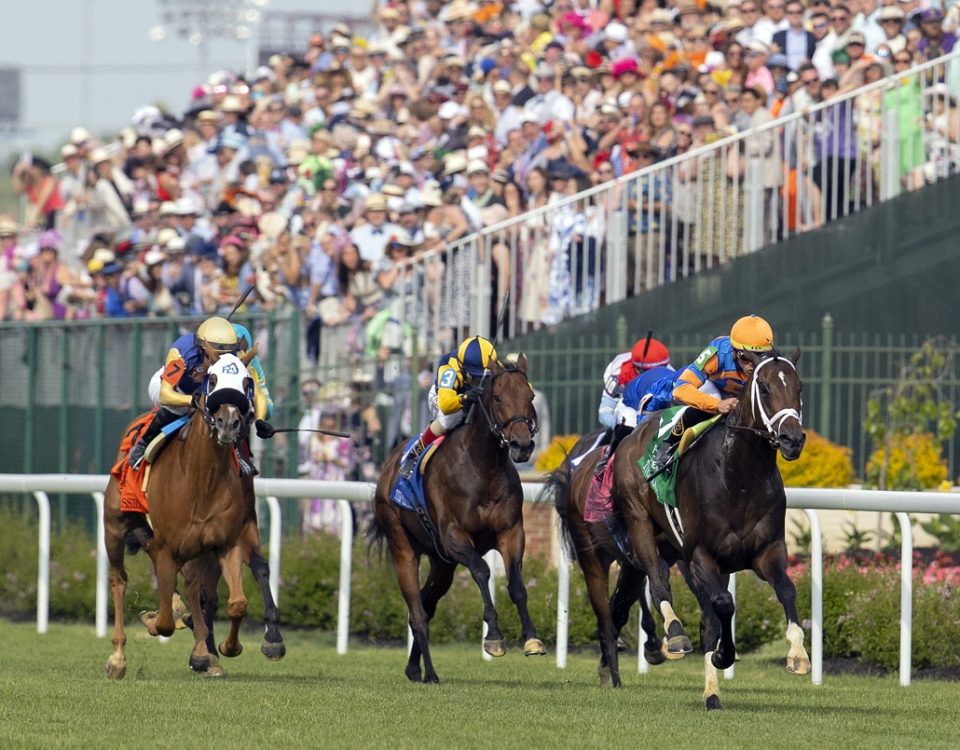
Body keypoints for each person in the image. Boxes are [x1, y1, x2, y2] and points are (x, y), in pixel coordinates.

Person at [127, 316, 267, 474]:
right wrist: (192, 401)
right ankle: (143, 445)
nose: (220, 361)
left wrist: (260, 420)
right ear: (202, 349)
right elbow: (166, 394)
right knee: (178, 409)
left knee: (237, 408)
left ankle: (242, 456)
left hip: (208, 391)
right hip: (175, 388)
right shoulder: (181, 352)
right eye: (215, 356)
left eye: (226, 354)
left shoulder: (236, 356)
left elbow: (258, 395)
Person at [646, 314, 776, 472]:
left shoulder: (772, 360)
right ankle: (667, 446)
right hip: (712, 385)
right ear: (734, 352)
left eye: (759, 357)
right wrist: (717, 404)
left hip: (738, 392)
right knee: (711, 399)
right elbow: (681, 388)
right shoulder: (718, 353)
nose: (752, 365)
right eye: (745, 357)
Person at [398, 335, 498, 480]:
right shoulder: (449, 368)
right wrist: (465, 398)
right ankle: (414, 454)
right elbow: (445, 405)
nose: (479, 380)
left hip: (470, 396)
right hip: (444, 397)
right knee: (452, 418)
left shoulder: (490, 361)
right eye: (475, 376)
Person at [593, 336, 672, 478]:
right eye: (649, 372)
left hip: (654, 415)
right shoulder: (619, 374)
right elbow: (604, 412)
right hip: (627, 412)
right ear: (637, 368)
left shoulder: (669, 373)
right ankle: (605, 466)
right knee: (627, 419)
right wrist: (624, 427)